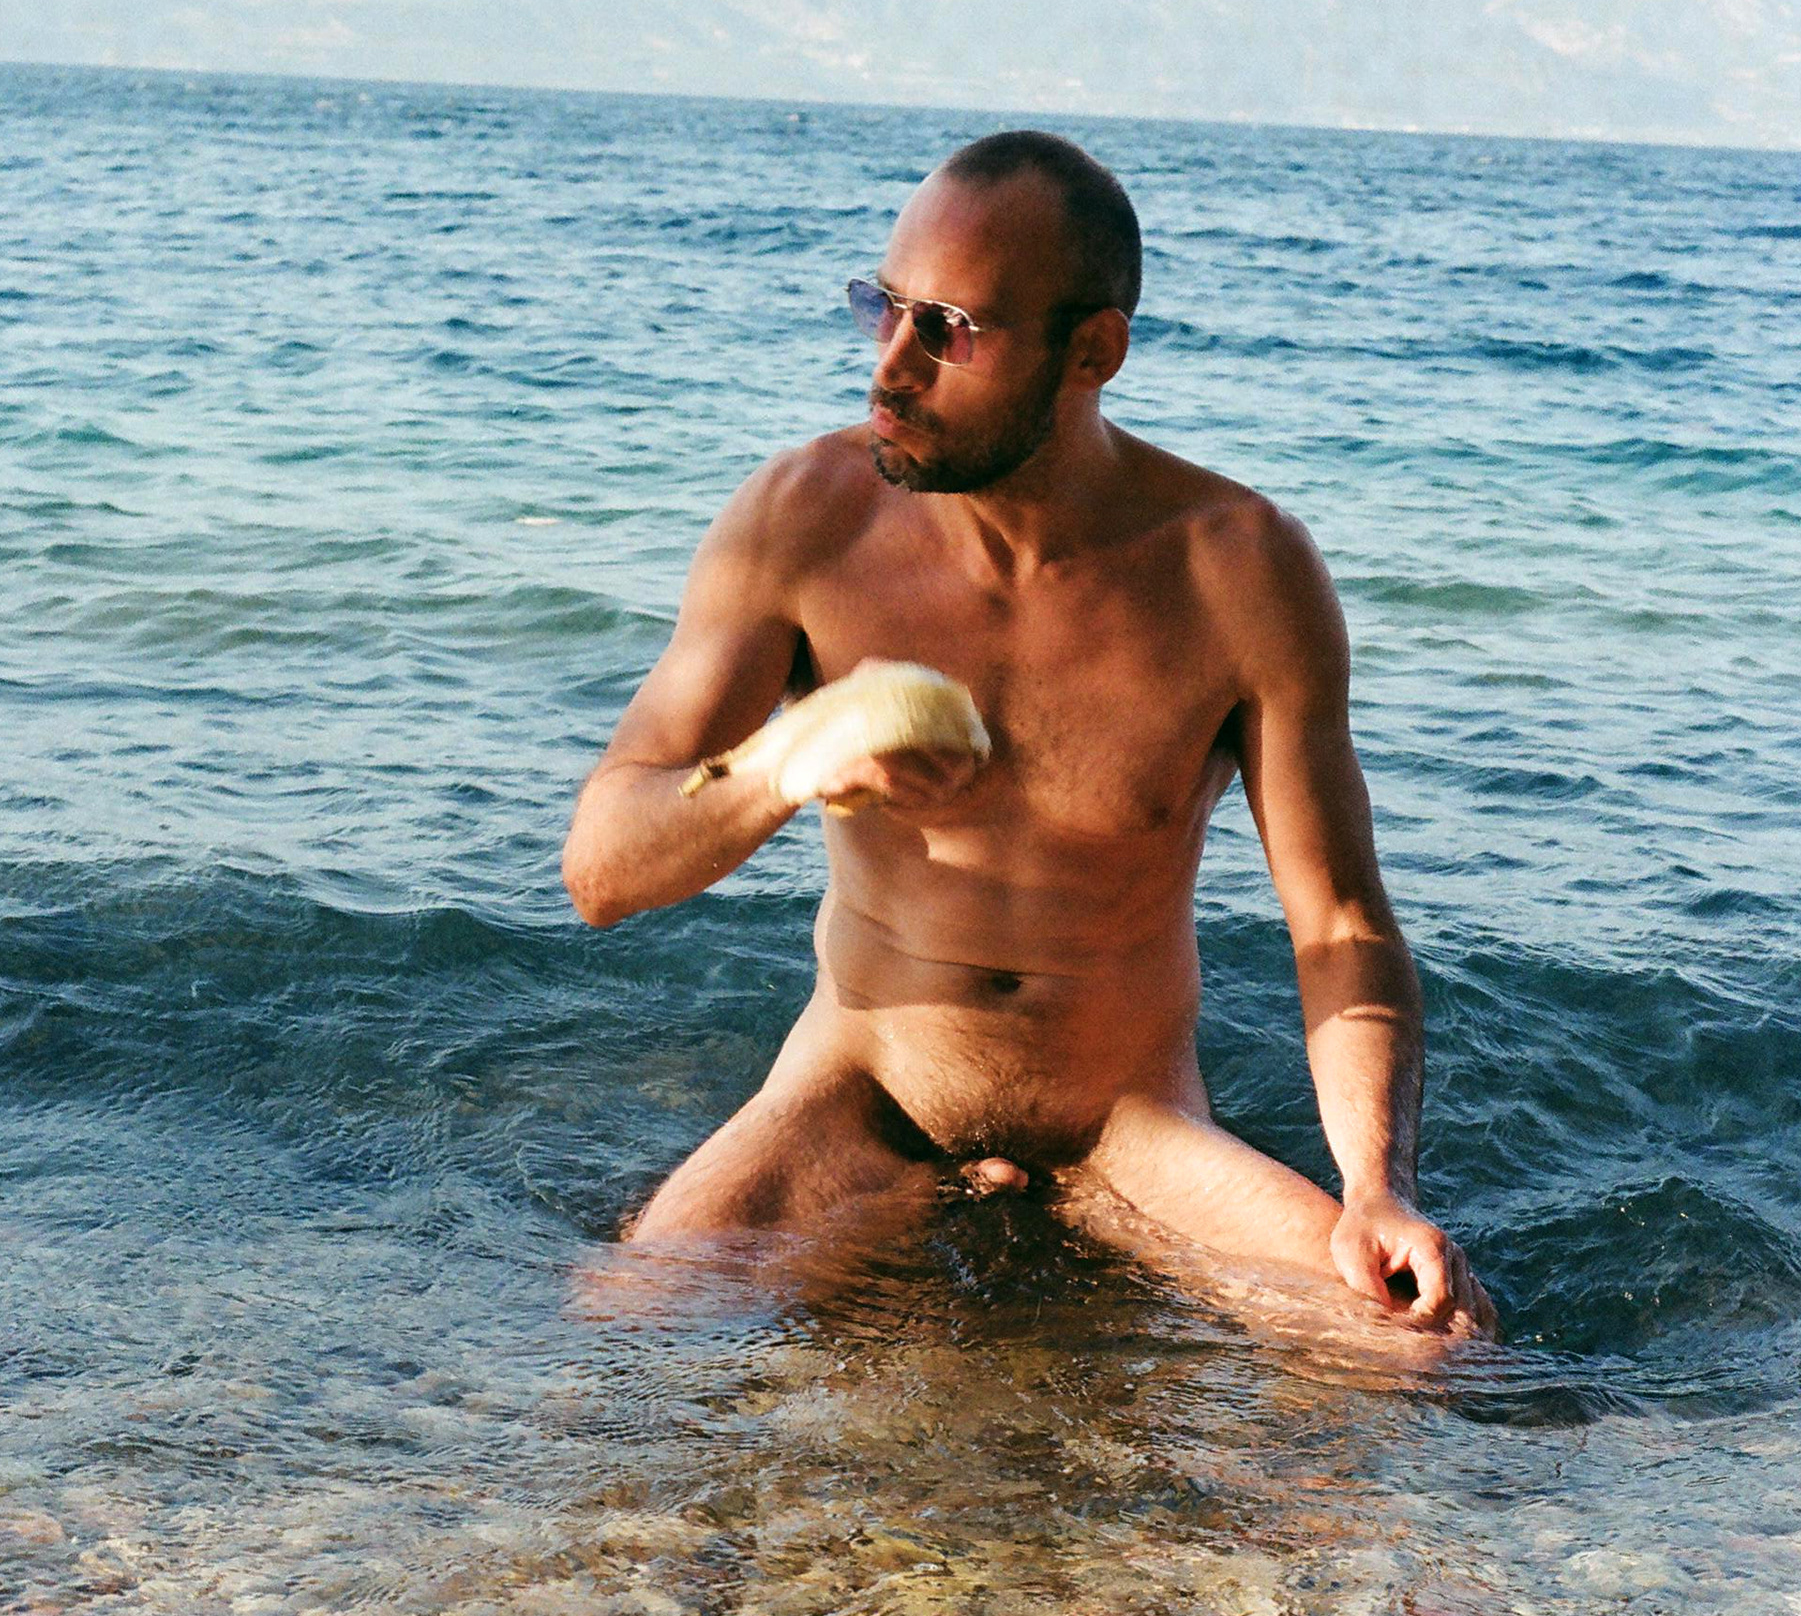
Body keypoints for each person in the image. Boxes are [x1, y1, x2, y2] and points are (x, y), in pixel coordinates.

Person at [562, 131, 1495, 1342]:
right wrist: (786, 766)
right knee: (623, 1332)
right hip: (863, 1096)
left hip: (1124, 1124)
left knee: (1426, 1346)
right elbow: (601, 870)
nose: (890, 367)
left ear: (1092, 351)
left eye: (946, 329)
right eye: (882, 308)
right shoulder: (802, 522)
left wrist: (1376, 1187)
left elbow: (1342, 926)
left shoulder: (1240, 573)